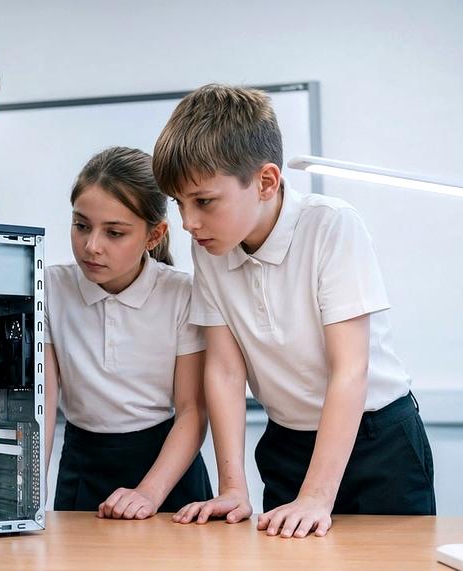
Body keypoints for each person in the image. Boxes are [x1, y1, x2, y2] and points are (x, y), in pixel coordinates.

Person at [152, 84, 435, 538]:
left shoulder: (331, 225)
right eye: (179, 203)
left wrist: (318, 496)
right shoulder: (209, 247)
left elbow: (350, 371)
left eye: (203, 201)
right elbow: (225, 370)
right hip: (287, 441)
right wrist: (232, 486)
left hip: (376, 440)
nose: (189, 222)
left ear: (265, 182)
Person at [44, 146, 212, 519]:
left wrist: (149, 493)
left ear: (154, 236)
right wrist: (27, 500)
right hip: (83, 466)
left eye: (114, 233)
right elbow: (42, 409)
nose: (91, 246)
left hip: (168, 471)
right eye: (81, 225)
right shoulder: (50, 288)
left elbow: (192, 411)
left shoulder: (182, 294)